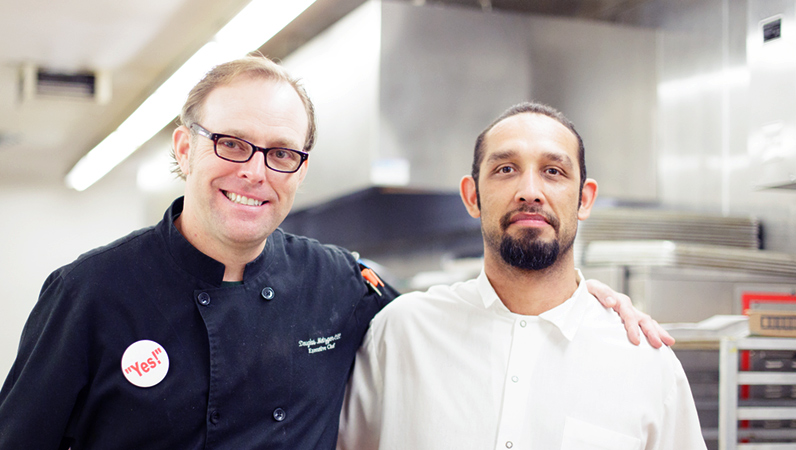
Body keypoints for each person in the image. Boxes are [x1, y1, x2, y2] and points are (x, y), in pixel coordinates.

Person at [0, 57, 668, 449]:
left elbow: (479, 318)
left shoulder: (341, 284)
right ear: (185, 149)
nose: (255, 171)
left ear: (301, 167)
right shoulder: (89, 291)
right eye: (231, 143)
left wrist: (588, 302)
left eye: (282, 153)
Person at [338, 102, 706, 450]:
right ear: (472, 196)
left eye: (553, 171)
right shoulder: (402, 334)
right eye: (506, 169)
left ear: (584, 199)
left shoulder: (645, 363)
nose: (530, 192)